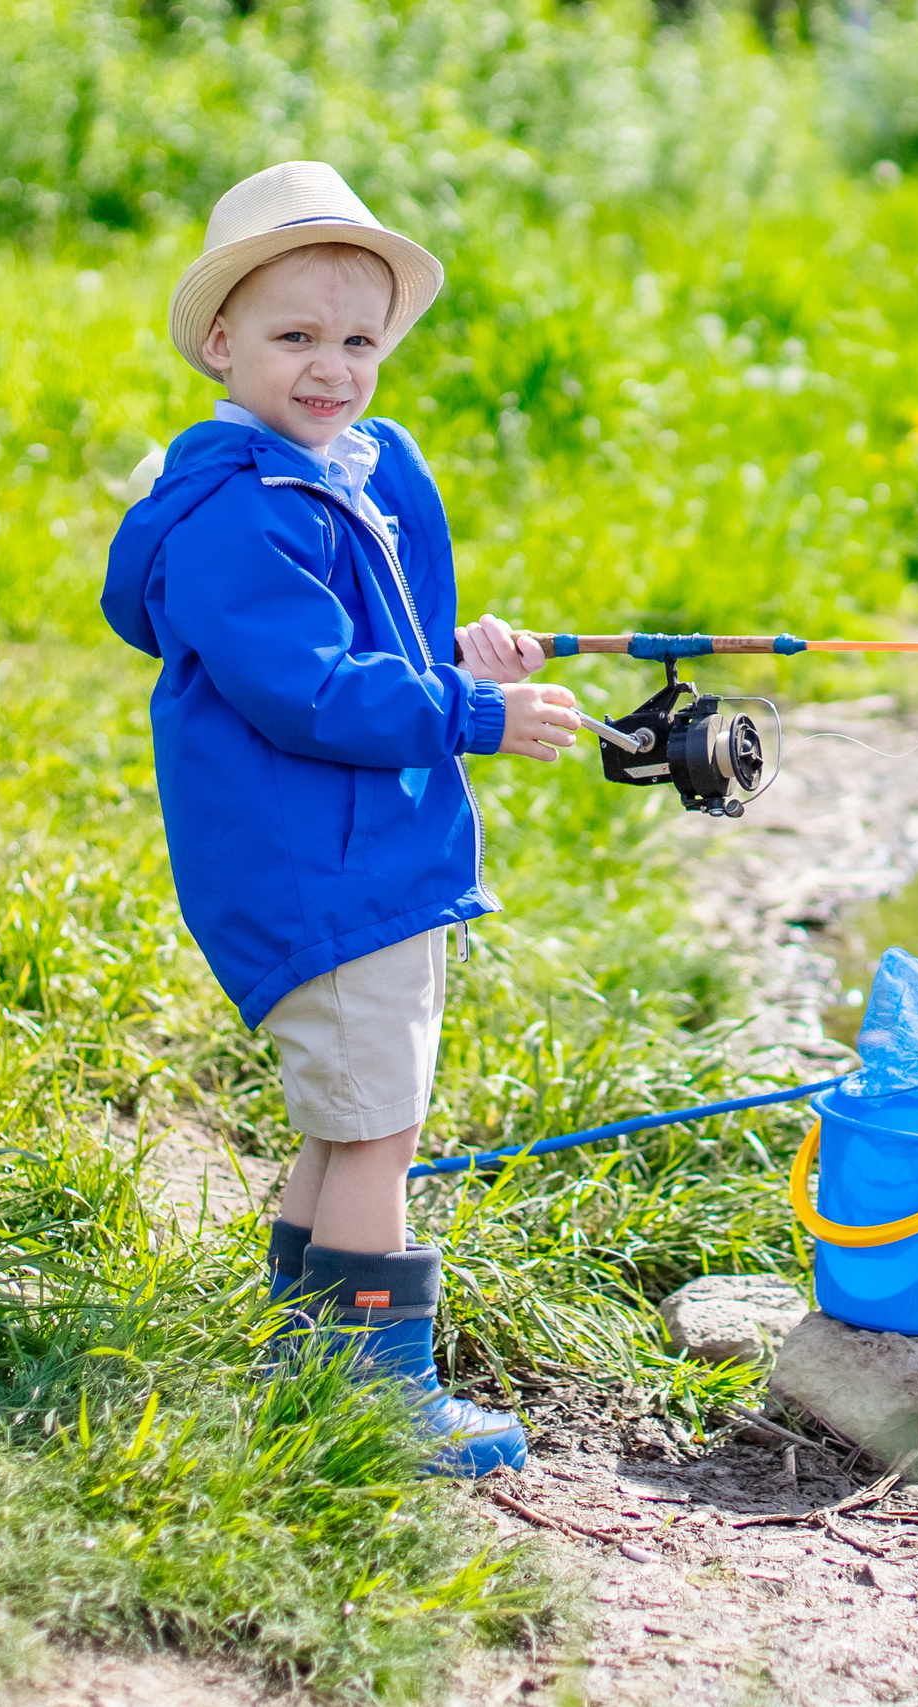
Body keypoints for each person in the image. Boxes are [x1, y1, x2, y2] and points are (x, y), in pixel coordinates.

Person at [102, 161, 580, 1474]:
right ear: (220, 343)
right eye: (294, 337)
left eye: (357, 340)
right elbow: (307, 687)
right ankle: (375, 1402)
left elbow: (382, 642)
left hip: (359, 854)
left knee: (348, 1122)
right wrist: (471, 720)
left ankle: (307, 1363)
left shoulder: (345, 469)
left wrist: (458, 660)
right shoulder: (235, 520)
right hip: (318, 868)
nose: (331, 367)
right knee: (377, 1135)